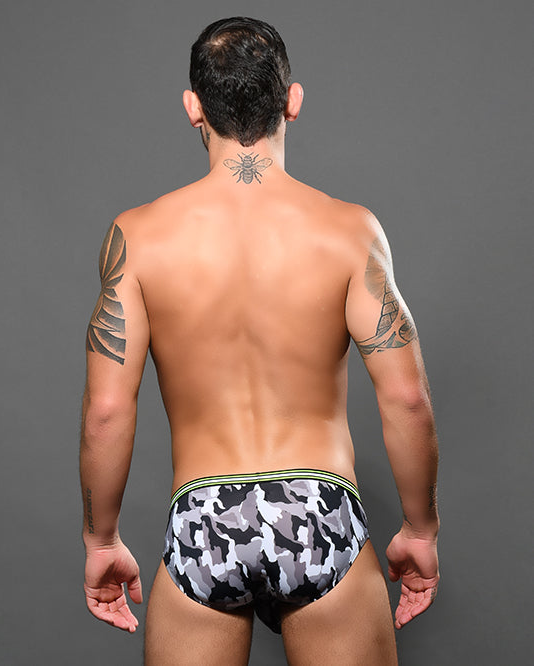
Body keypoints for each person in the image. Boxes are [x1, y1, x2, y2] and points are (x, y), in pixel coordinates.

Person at [80, 16, 439, 665]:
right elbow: (407, 398)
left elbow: (106, 410)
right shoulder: (349, 231)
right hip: (319, 510)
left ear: (193, 107)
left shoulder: (138, 237)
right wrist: (420, 528)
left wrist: (101, 540)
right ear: (292, 101)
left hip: (204, 518)